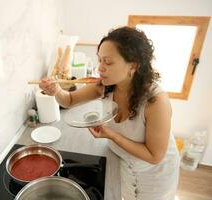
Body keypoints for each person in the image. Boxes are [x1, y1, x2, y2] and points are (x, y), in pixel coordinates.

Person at [39, 26, 180, 200]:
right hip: (123, 160)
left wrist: (112, 135)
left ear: (133, 65)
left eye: (108, 62)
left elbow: (154, 156)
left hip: (155, 173)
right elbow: (68, 100)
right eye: (99, 60)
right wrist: (56, 91)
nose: (100, 68)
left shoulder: (156, 101)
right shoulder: (106, 85)